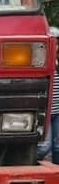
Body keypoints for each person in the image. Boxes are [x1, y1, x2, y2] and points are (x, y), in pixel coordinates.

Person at [37, 27, 59, 163]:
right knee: (44, 146)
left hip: (58, 110)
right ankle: (30, 163)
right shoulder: (42, 60)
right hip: (46, 110)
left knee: (57, 147)